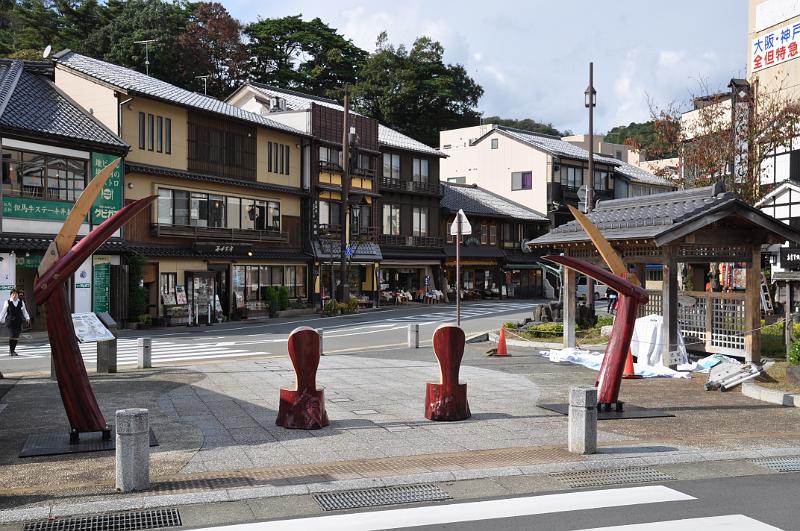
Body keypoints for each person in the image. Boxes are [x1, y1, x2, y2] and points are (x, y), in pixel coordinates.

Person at [0, 289, 30, 356]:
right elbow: (3, 311)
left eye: (16, 294)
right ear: (10, 295)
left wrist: (27, 318)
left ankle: (13, 350)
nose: (14, 295)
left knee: (16, 337)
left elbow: (24, 311)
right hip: (10, 321)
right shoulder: (7, 302)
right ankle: (11, 351)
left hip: (18, 321)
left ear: (17, 295)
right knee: (12, 335)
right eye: (13, 294)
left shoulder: (21, 302)